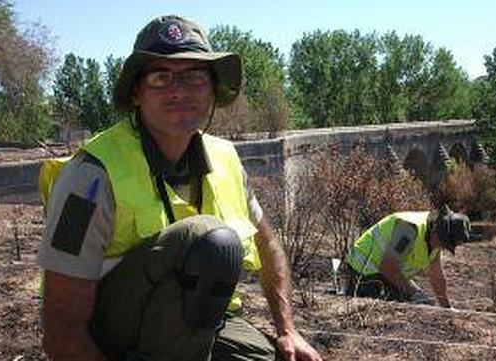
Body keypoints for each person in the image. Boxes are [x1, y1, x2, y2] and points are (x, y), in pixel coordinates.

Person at [37, 15, 322, 361]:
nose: (178, 90)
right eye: (160, 77)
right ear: (136, 94)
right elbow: (61, 327)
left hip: (201, 323)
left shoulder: (226, 158)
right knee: (207, 237)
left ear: (213, 89)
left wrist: (287, 329)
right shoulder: (92, 175)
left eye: (194, 76)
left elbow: (268, 245)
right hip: (113, 338)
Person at [344, 205, 471, 308]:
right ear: (436, 228)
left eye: (445, 244)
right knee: (402, 305)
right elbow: (388, 267)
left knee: (423, 302)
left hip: (383, 272)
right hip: (362, 272)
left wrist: (446, 308)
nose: (441, 246)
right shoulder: (407, 229)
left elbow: (436, 274)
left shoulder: (435, 239)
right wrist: (414, 292)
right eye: (442, 241)